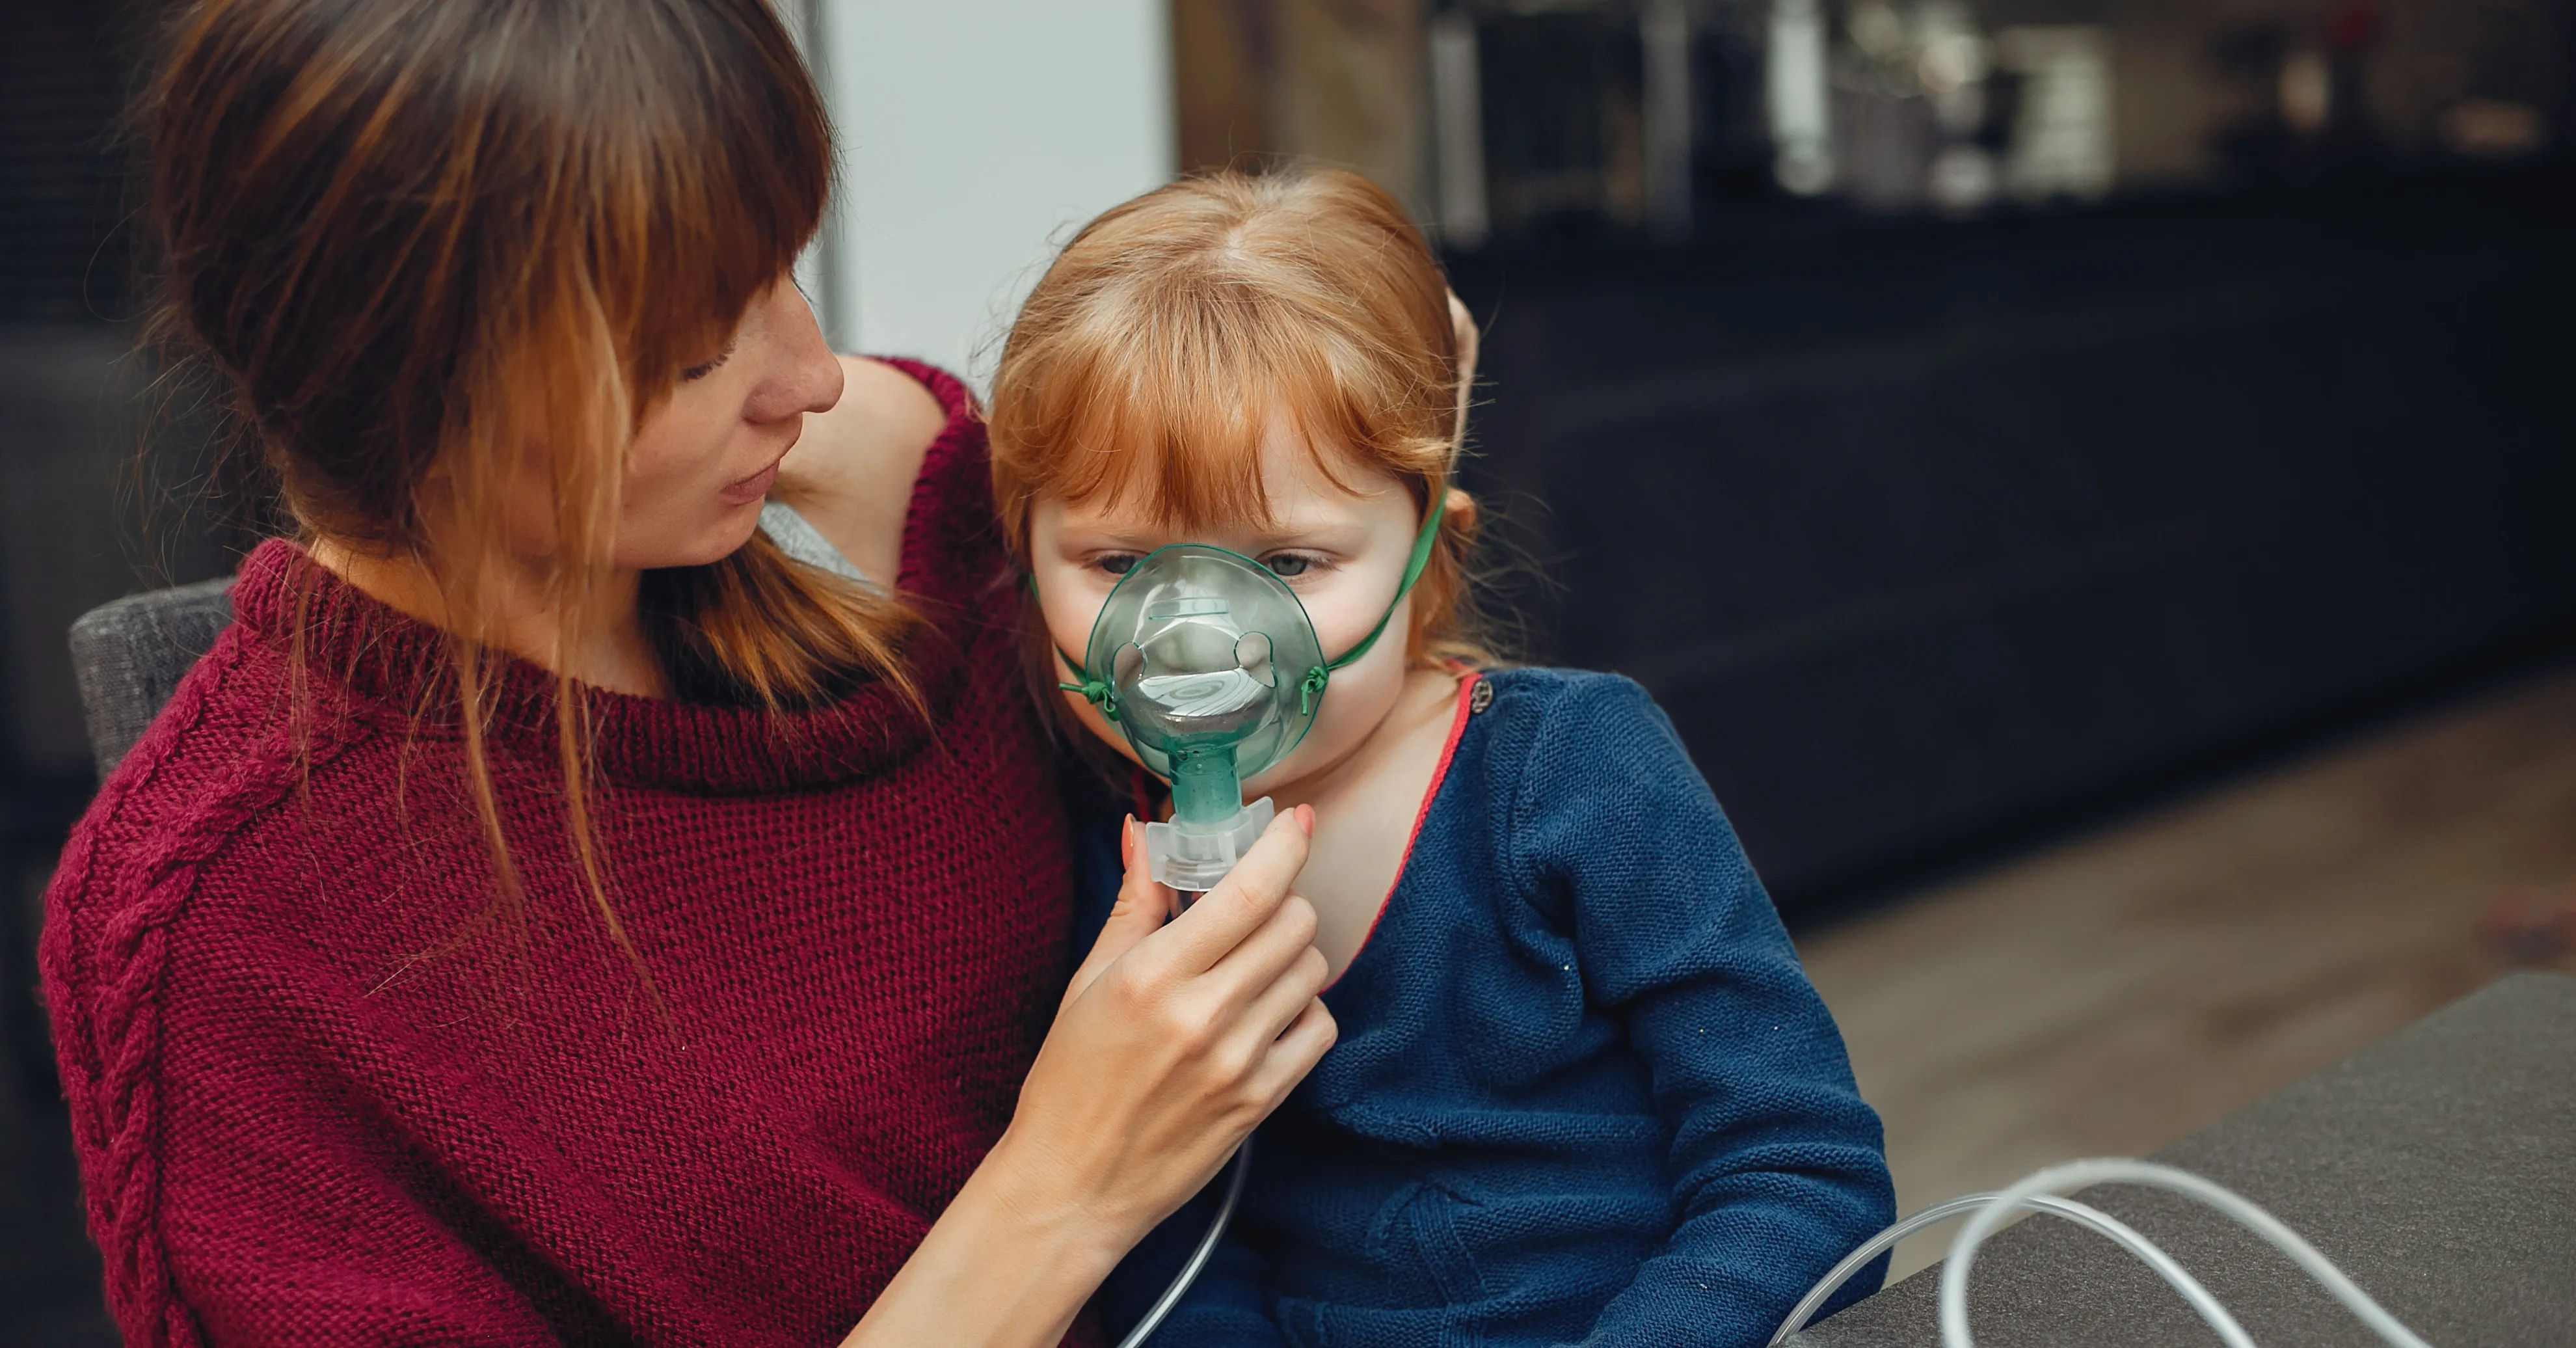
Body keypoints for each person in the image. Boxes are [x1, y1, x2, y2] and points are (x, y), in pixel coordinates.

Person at [40, 3, 1334, 1345]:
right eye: (698, 352)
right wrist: (1063, 1192)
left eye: (784, 265)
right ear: (418, 387)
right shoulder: (221, 933)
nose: (814, 378)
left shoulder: (910, 501)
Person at [987, 168, 1896, 1347]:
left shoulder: (1574, 773)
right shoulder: (1122, 863)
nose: (1200, 636)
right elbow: (1180, 1257)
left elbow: (1803, 1175)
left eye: (1291, 562)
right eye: (1119, 563)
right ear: (1023, 560)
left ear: (1432, 553)